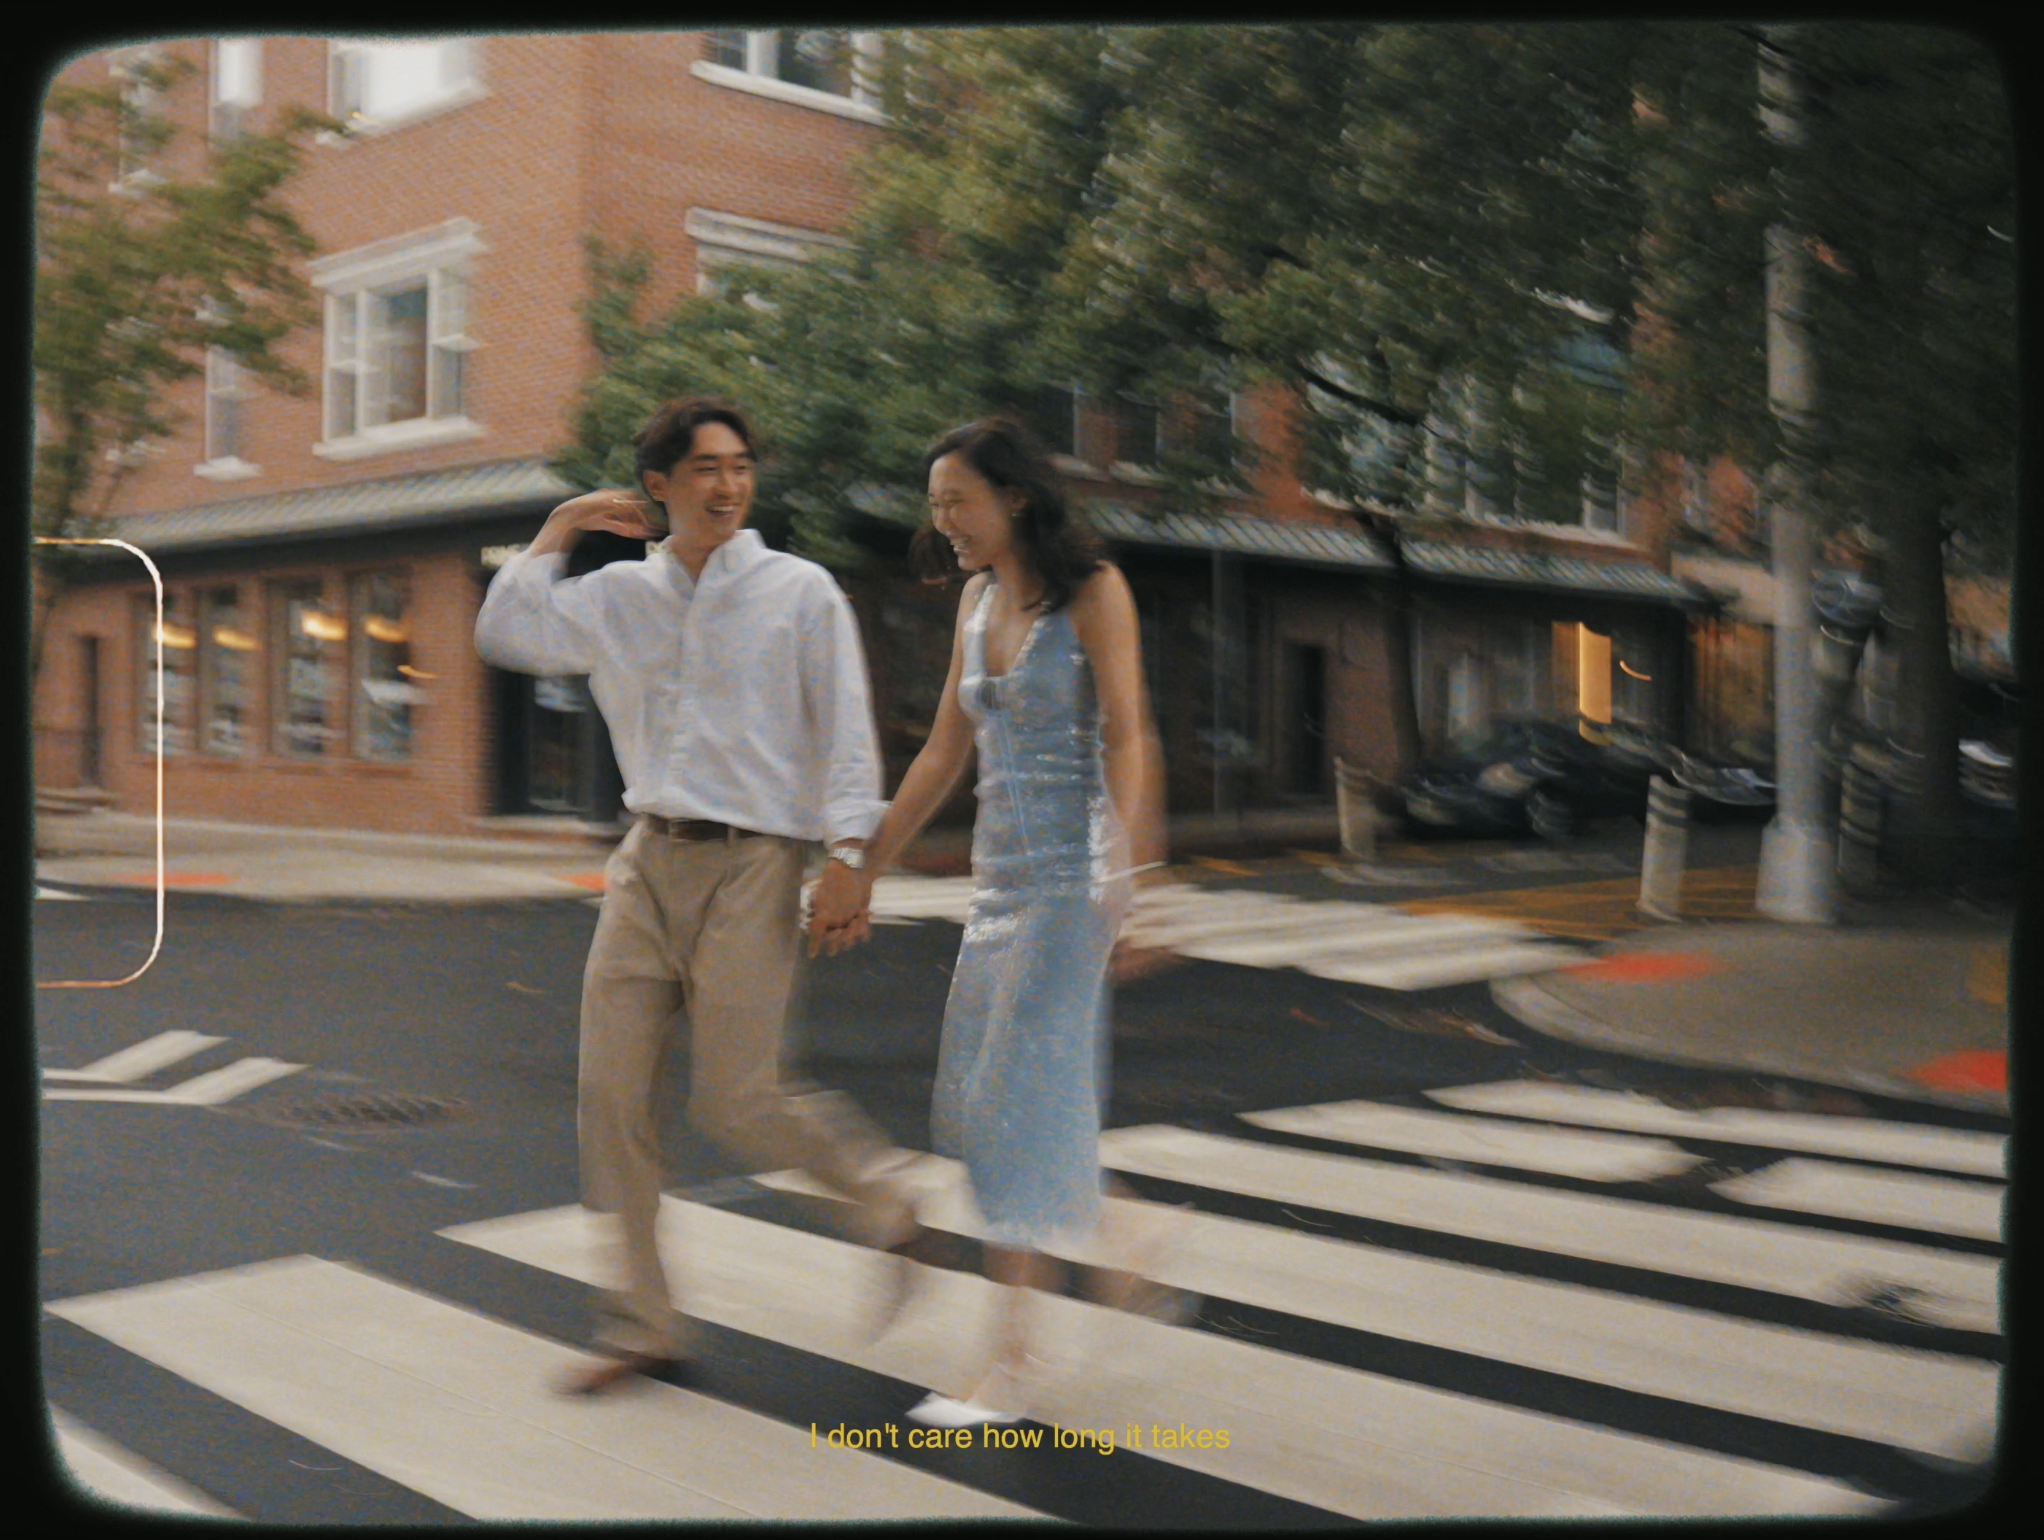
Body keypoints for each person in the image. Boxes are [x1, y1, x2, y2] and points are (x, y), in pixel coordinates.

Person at [475, 397, 933, 1395]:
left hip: (754, 863)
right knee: (610, 1102)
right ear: (659, 486)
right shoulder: (617, 596)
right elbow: (506, 630)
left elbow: (845, 732)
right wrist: (560, 526)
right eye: (706, 469)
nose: (729, 485)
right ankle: (643, 1326)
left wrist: (849, 859)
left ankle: (881, 1195)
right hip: (647, 860)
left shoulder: (798, 591)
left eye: (740, 466)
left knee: (737, 1096)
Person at [806, 417, 1187, 1426]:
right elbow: (943, 751)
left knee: (1012, 1107)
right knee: (984, 1109)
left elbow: (1129, 735)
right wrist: (864, 864)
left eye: (957, 502)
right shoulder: (976, 602)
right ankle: (1126, 1231)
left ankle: (1009, 1359)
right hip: (997, 888)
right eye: (935, 506)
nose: (944, 522)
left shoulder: (1095, 591)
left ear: (1013, 496)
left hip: (1072, 886)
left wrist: (1127, 878)